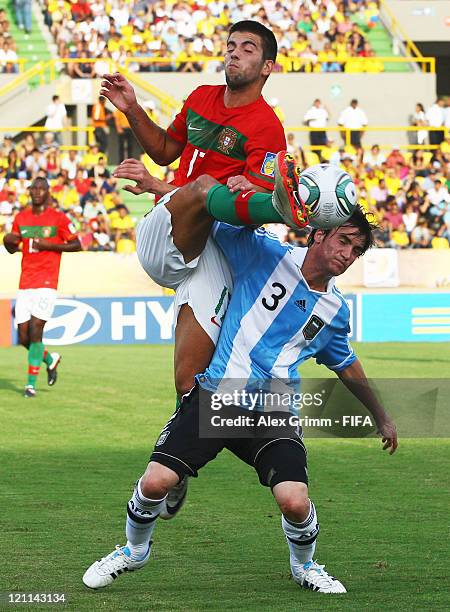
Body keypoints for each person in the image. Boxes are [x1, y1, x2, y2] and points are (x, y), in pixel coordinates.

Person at [82, 152, 398, 594]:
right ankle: (134, 551)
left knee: (294, 501)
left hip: (272, 410)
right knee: (155, 482)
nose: (348, 254)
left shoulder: (335, 310)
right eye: (343, 241)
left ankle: (305, 566)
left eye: (356, 250)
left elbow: (346, 365)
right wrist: (159, 187)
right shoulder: (264, 251)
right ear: (320, 233)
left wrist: (381, 416)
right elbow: (212, 211)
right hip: (217, 396)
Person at [100, 20, 286, 513]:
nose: (234, 53)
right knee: (204, 187)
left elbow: (248, 199)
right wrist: (133, 110)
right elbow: (165, 152)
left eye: (247, 48)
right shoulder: (202, 96)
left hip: (213, 259)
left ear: (267, 67)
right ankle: (291, 208)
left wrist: (263, 196)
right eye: (231, 45)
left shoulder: (268, 128)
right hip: (169, 234)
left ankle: (176, 466)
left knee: (191, 383)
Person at [3, 177, 81, 397]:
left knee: (36, 331)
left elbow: (77, 244)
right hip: (25, 282)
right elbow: (13, 247)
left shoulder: (58, 218)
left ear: (48, 192)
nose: (36, 192)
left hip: (47, 282)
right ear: (29, 192)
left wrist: (50, 245)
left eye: (41, 188)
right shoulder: (21, 217)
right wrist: (7, 242)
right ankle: (50, 359)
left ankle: (30, 385)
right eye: (33, 188)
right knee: (24, 338)